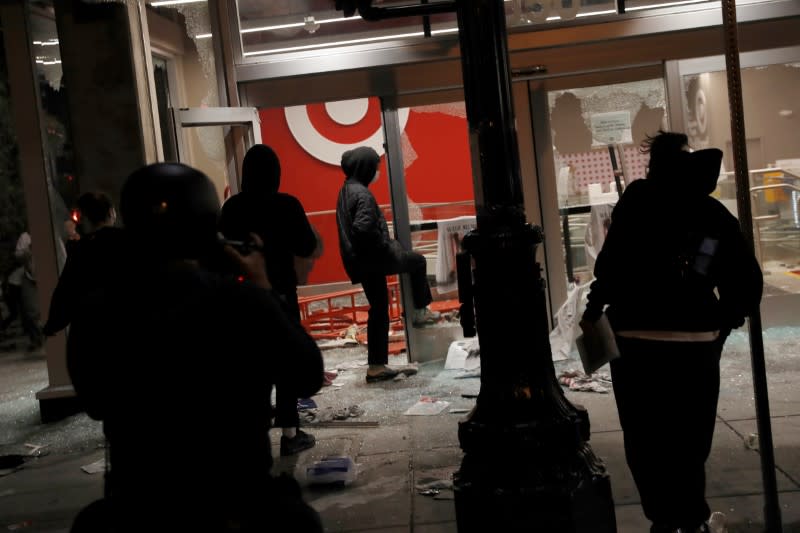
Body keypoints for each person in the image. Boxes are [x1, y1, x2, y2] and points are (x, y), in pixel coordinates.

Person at [67, 162, 324, 533]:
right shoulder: (242, 301)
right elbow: (306, 375)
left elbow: (94, 403)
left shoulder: (97, 310)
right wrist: (264, 288)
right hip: (239, 500)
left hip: (138, 505)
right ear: (207, 229)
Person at [580, 131, 763, 533]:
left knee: (645, 436)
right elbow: (745, 280)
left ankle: (663, 517)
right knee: (689, 434)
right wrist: (724, 323)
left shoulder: (636, 204)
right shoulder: (712, 212)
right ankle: (691, 516)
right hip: (695, 342)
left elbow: (607, 271)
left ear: (652, 165)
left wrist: (595, 310)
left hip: (635, 340)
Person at [218, 144, 322, 457]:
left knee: (252, 364)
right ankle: (290, 433)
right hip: (280, 292)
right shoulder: (287, 205)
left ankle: (254, 432)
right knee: (286, 359)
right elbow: (306, 245)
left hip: (240, 296)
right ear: (276, 174)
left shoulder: (232, 208)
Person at [335, 146, 439, 383]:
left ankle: (376, 366)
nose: (377, 171)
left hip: (360, 262)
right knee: (417, 261)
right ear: (366, 168)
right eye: (375, 167)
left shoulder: (346, 190)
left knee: (379, 308)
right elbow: (363, 229)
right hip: (373, 260)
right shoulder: (362, 194)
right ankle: (421, 311)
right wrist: (387, 246)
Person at [42, 191, 124, 337]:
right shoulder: (130, 241)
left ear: (83, 218)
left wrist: (53, 324)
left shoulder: (81, 250)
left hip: (90, 330)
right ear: (112, 212)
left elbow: (66, 290)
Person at [14, 231, 44, 352]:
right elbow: (18, 255)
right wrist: (29, 249)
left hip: (47, 275)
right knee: (32, 311)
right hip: (30, 278)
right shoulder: (25, 237)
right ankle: (38, 338)